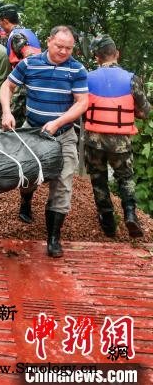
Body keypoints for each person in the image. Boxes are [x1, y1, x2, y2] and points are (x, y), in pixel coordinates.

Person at [0, 25, 89, 257]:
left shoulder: (77, 69)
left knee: (63, 182)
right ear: (49, 41)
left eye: (68, 48)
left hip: (64, 134)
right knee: (29, 176)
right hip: (33, 131)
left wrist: (58, 123)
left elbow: (82, 102)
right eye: (59, 46)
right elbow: (7, 86)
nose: (63, 51)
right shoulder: (29, 64)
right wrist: (7, 112)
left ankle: (53, 237)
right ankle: (26, 200)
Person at [84, 35, 150, 238]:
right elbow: (145, 111)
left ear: (97, 57)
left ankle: (108, 223)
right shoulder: (131, 78)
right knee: (125, 178)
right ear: (117, 54)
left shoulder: (87, 78)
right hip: (120, 142)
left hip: (94, 141)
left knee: (98, 179)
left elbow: (80, 106)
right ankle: (130, 214)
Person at [0, 4, 42, 223]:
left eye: (0, 22)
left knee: (12, 129)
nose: (0, 27)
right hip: (34, 89)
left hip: (26, 88)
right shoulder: (30, 32)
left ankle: (6, 168)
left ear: (5, 21)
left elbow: (28, 62)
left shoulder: (16, 37)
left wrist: (17, 84)